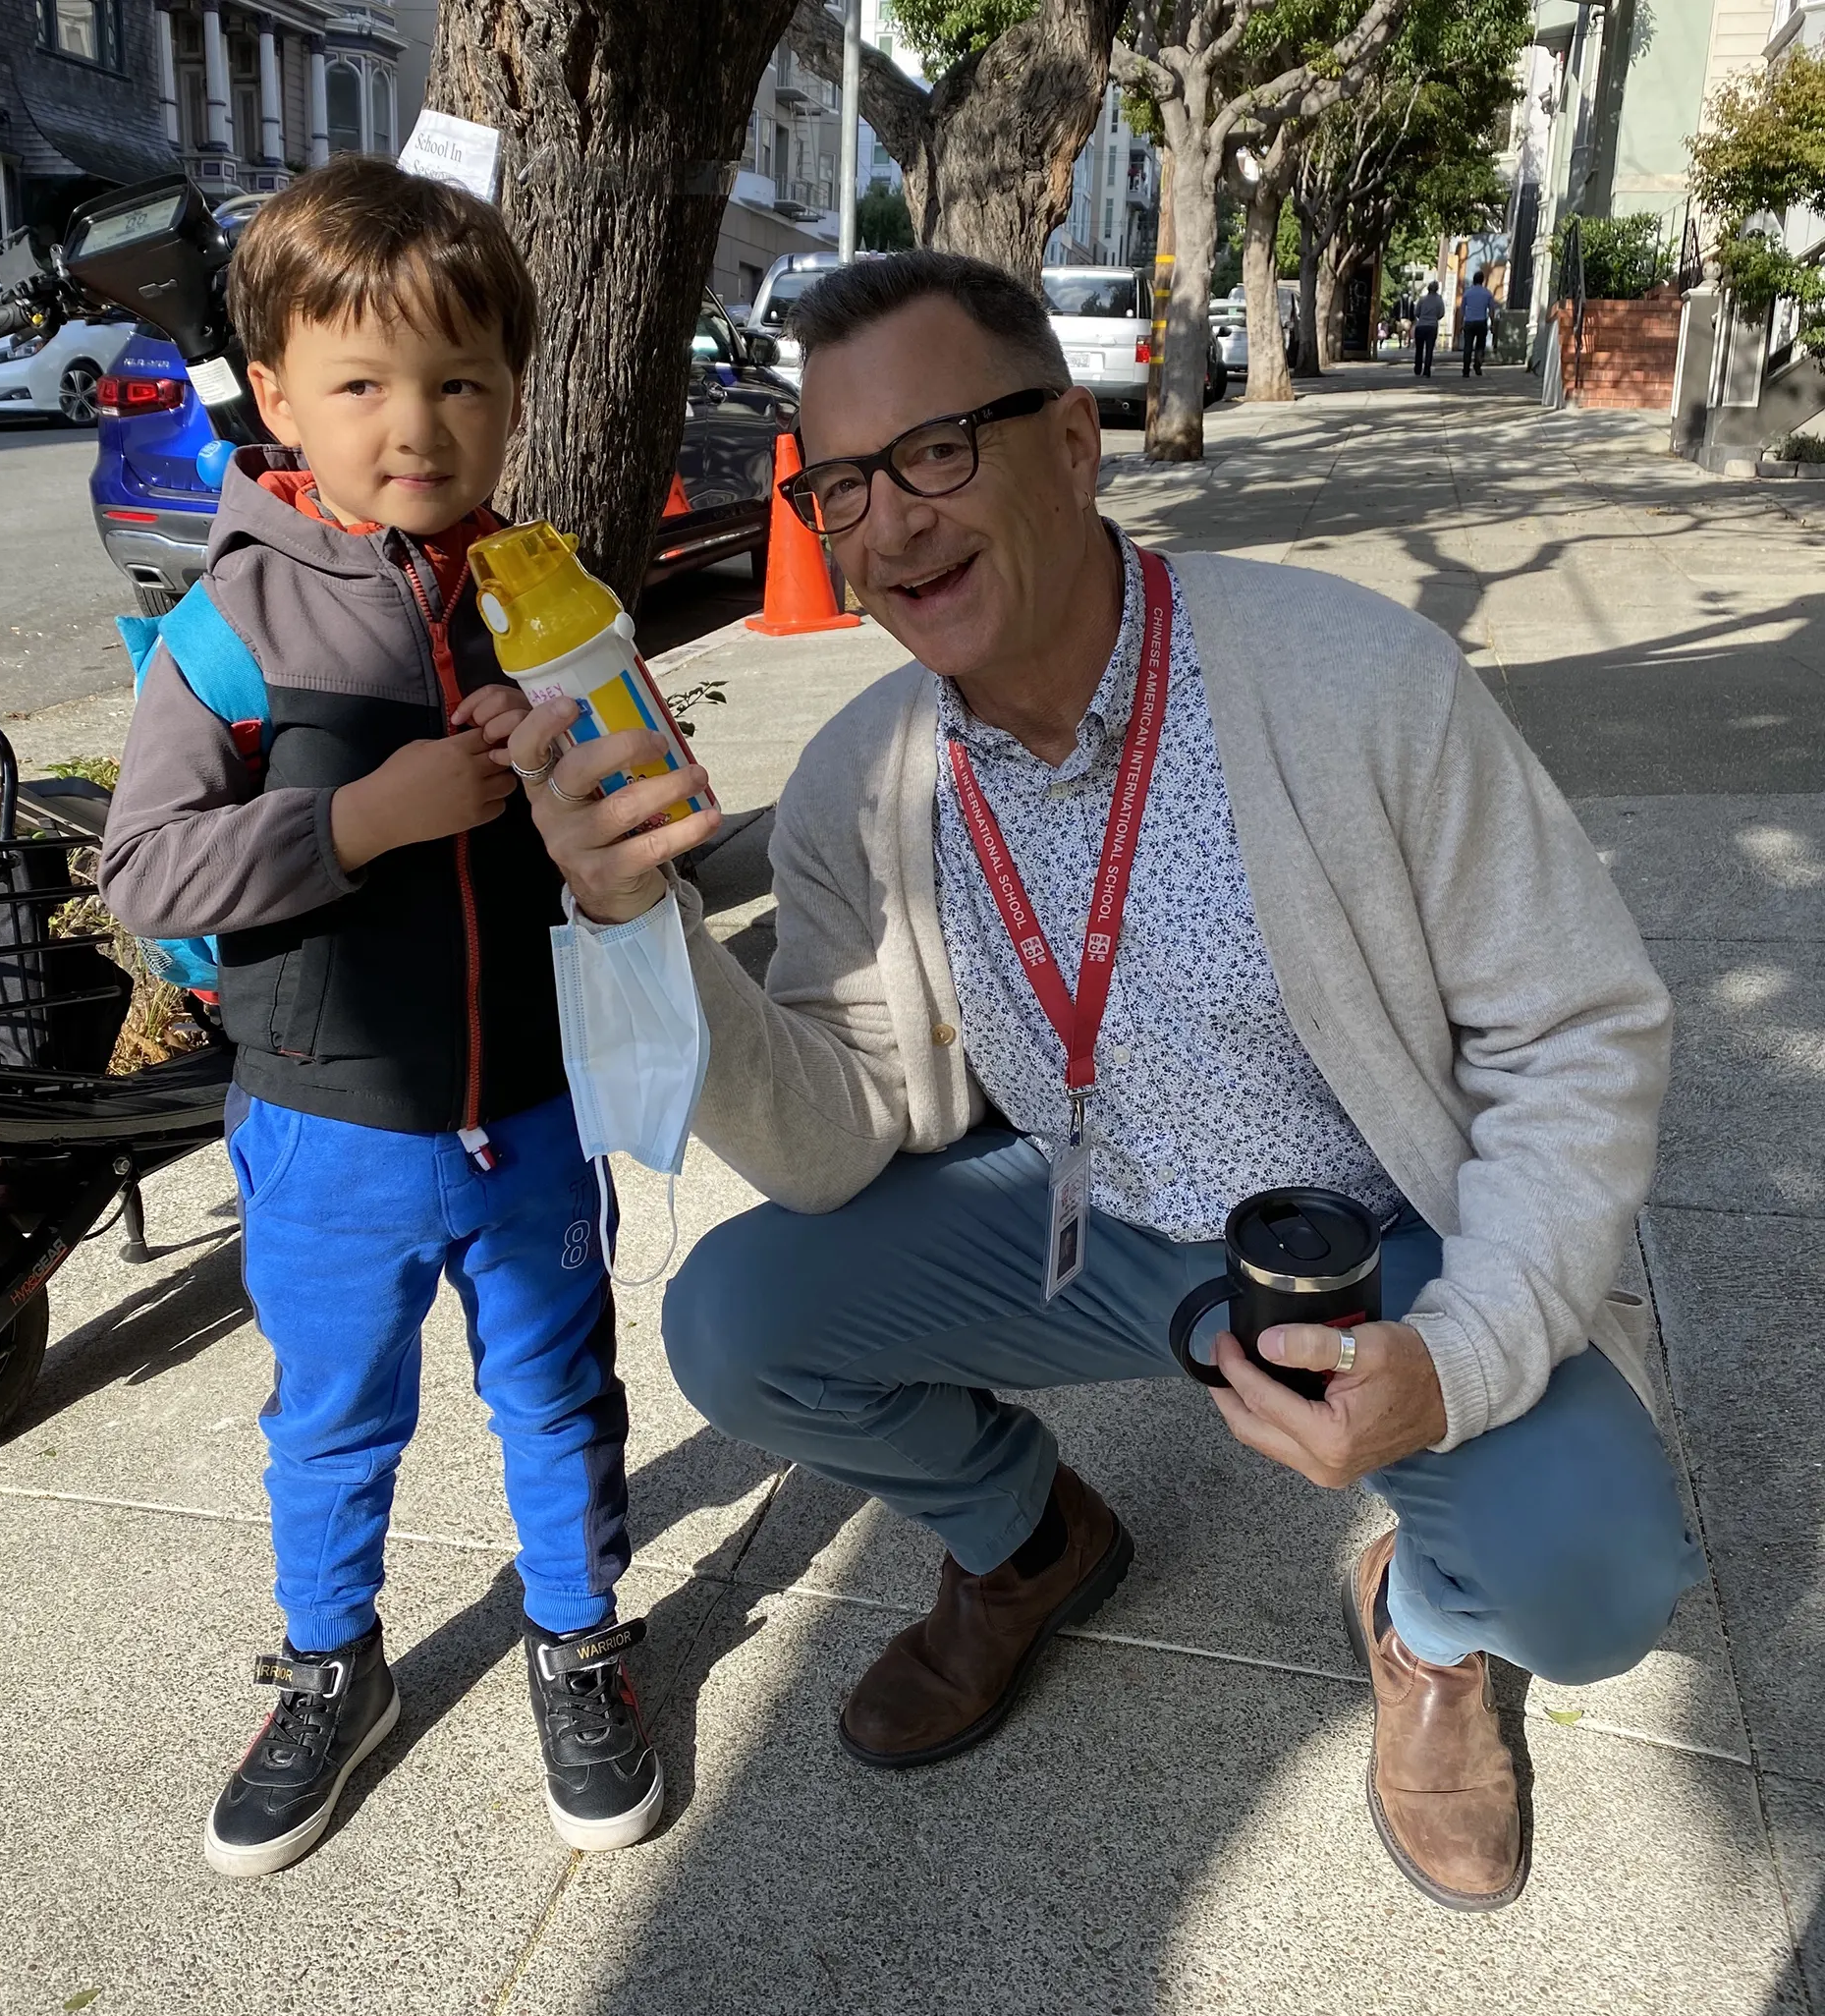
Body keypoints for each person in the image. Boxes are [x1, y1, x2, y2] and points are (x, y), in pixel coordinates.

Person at [493, 249, 1704, 1915]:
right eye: (839, 484)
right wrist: (645, 928)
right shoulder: (869, 773)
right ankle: (1028, 1539)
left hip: (1375, 1241)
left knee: (1601, 1587)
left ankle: (1426, 1629)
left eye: (937, 450)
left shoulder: (1349, 678)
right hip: (1086, 1232)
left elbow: (1580, 1028)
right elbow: (840, 1130)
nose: (891, 525)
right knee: (735, 1320)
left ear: (1075, 443)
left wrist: (1464, 1351)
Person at [99, 157, 663, 1878]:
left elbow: (650, 825)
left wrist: (599, 769)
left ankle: (579, 1638)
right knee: (334, 1409)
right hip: (328, 1122)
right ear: (276, 396)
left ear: (513, 395)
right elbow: (146, 868)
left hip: (537, 1109)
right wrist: (365, 815)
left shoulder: (543, 588)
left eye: (462, 382)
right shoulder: (230, 623)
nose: (415, 423)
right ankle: (329, 1659)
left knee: (558, 1392)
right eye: (359, 383)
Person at [1461, 270, 1496, 377]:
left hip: (1469, 321)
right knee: (1480, 346)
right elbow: (1491, 310)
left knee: (1468, 346)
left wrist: (1460, 323)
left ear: (1474, 280)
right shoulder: (1487, 293)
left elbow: (1462, 309)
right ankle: (1478, 365)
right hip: (1481, 321)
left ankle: (1466, 369)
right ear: (1482, 280)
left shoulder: (1467, 293)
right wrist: (1493, 323)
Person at [1412, 280, 1445, 377]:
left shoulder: (1422, 299)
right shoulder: (1439, 300)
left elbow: (1416, 312)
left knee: (1419, 349)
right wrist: (1435, 318)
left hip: (1421, 325)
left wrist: (1422, 317)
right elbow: (1441, 313)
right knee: (1429, 349)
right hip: (1432, 326)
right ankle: (1427, 370)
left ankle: (1418, 368)